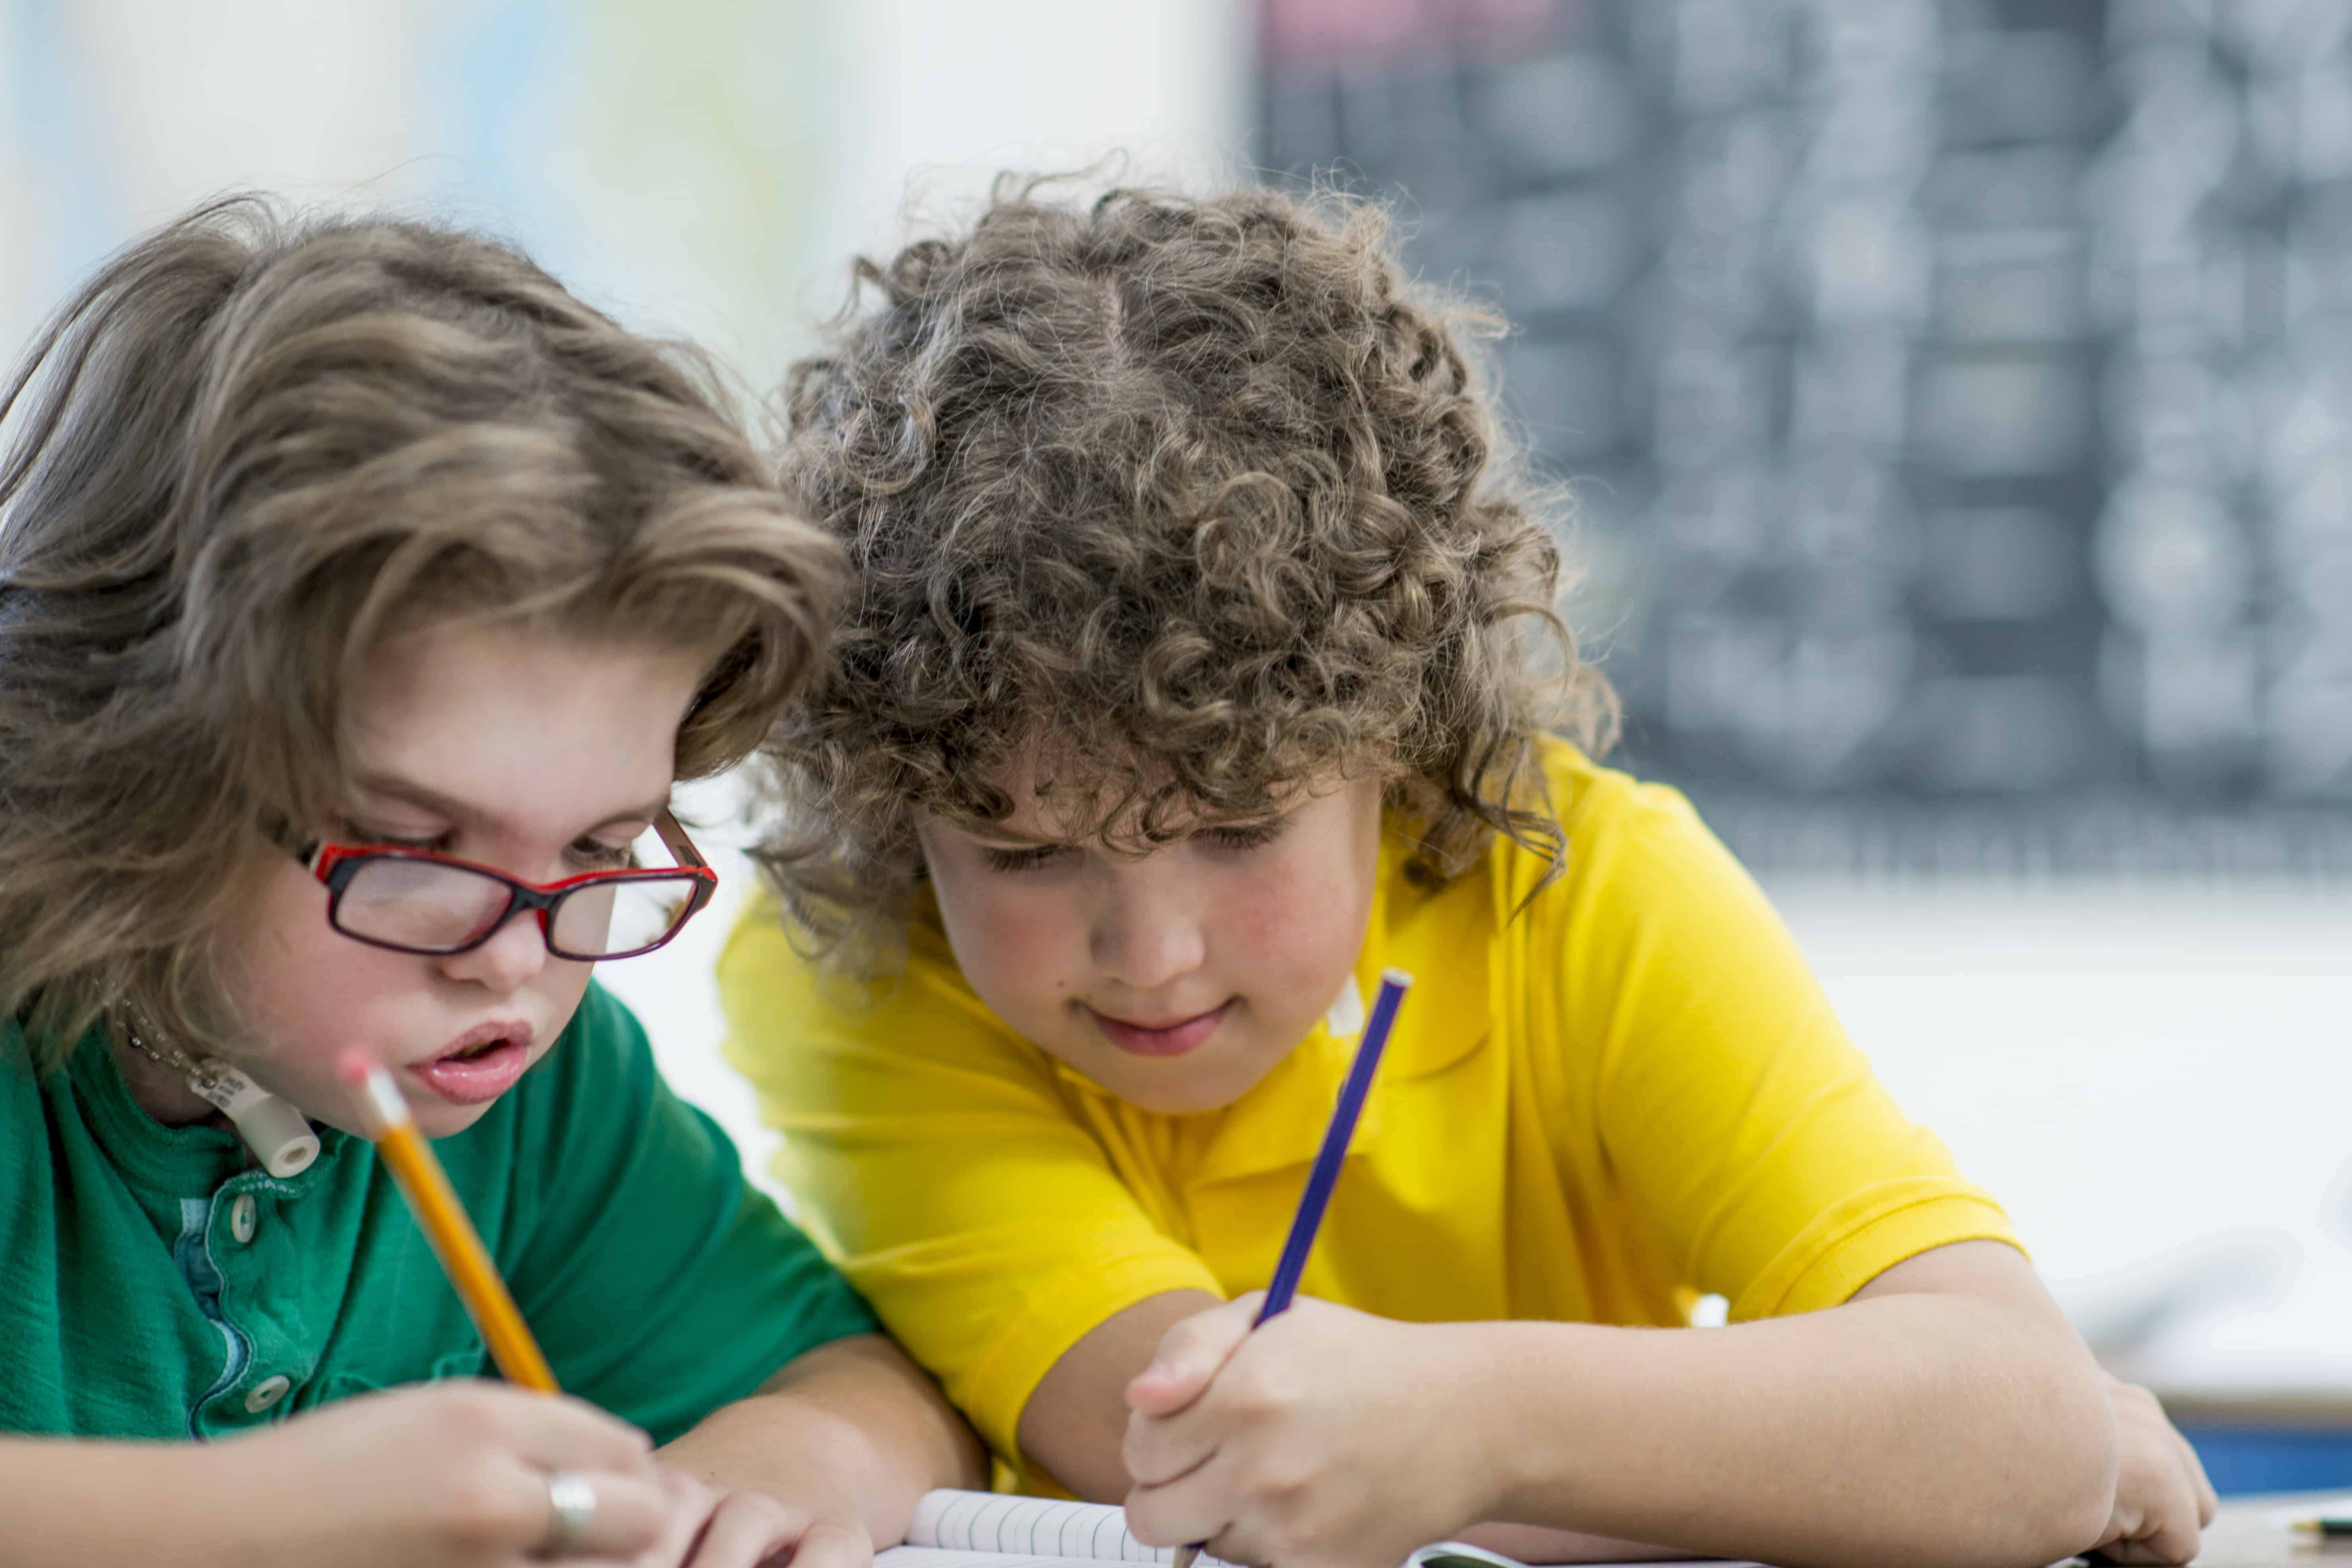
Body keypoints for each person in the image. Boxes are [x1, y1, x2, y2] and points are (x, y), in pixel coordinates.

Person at [719, 180, 2215, 1568]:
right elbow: (1216, 1467)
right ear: (892, 800)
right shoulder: (856, 962)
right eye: (1028, 853)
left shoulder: (1578, 887)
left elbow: (2019, 1421)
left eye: (1239, 826)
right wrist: (1845, 1459)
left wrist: (1483, 1421)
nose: (1152, 952)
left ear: (1402, 732)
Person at [0, 197, 983, 1568]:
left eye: (598, 848)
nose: (513, 962)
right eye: (417, 850)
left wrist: (765, 1473)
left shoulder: (521, 1085)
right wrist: (263, 1522)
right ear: (131, 762)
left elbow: (861, 1390)